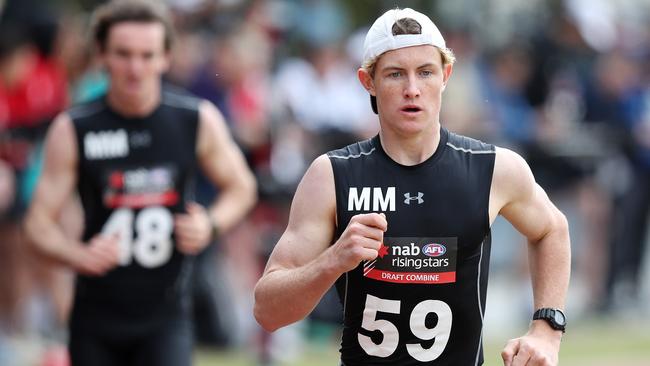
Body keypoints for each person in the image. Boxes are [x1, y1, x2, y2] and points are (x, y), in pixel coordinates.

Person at [254, 7, 570, 366]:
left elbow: (552, 229)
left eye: (425, 72)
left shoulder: (493, 168)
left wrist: (547, 327)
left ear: (446, 75)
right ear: (367, 82)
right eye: (394, 74)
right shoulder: (332, 175)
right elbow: (268, 310)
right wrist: (333, 261)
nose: (412, 90)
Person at [23, 1, 257, 365]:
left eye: (147, 55)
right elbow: (37, 223)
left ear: (166, 57)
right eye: (124, 54)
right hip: (95, 315)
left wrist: (209, 224)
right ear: (101, 55)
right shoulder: (75, 128)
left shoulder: (193, 119)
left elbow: (242, 187)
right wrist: (76, 254)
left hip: (167, 316)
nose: (136, 68)